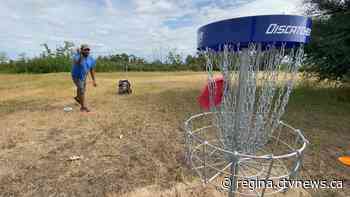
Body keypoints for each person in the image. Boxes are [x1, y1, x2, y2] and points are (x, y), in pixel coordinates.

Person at [71, 44, 97, 112]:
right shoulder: (77, 56)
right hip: (76, 76)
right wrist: (80, 55)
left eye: (88, 49)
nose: (87, 51)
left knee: (82, 89)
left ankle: (78, 97)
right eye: (85, 49)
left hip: (84, 76)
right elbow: (77, 62)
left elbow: (92, 69)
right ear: (82, 50)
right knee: (81, 89)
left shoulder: (91, 58)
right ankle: (83, 107)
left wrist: (94, 80)